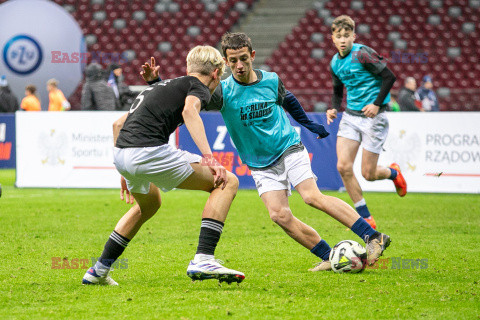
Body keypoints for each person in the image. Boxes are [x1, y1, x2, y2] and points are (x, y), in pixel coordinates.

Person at [143, 32, 391, 271]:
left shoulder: (271, 80)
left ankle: (373, 237)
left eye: (243, 58)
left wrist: (308, 124)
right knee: (279, 215)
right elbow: (185, 103)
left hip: (288, 148)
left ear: (252, 55)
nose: (239, 65)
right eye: (233, 61)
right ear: (226, 63)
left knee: (311, 197)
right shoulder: (221, 92)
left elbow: (289, 99)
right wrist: (156, 82)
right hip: (259, 163)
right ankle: (329, 256)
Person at [82, 46, 245, 286]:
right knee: (227, 181)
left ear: (189, 68)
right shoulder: (198, 87)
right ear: (216, 73)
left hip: (122, 154)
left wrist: (124, 171)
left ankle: (98, 270)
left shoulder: (163, 86)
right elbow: (190, 110)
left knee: (149, 205)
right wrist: (209, 157)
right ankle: (203, 258)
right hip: (148, 152)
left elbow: (118, 124)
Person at [326, 15, 407, 230]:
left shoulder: (362, 54)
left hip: (374, 118)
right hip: (351, 118)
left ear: (354, 36)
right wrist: (333, 107)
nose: (342, 40)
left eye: (346, 36)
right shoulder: (334, 62)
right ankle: (366, 217)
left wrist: (376, 104)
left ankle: (394, 173)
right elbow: (337, 91)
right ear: (332, 38)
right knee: (343, 167)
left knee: (368, 174)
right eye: (338, 36)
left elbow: (389, 77)